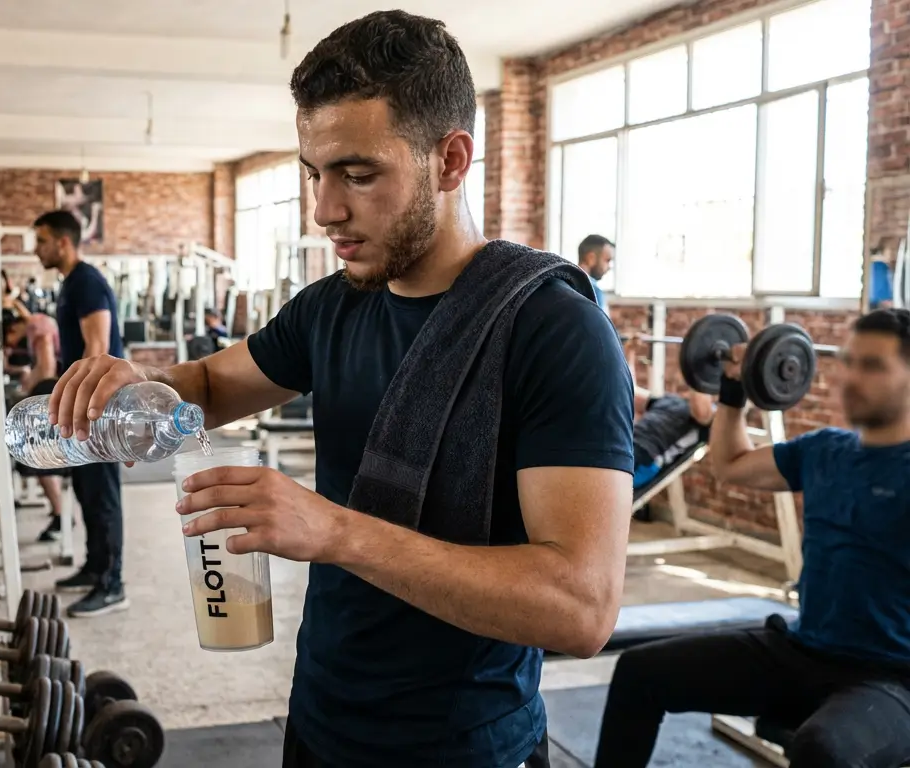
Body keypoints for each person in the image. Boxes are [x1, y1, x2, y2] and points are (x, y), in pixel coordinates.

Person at [48, 11, 634, 766]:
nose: (326, 209)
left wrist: (332, 532)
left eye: (358, 175)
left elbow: (581, 608)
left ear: (450, 160)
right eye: (314, 175)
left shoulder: (551, 330)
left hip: (465, 747)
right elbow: (207, 387)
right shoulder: (334, 305)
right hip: (323, 719)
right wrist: (139, 383)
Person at [594, 308, 910, 768]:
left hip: (888, 678)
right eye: (852, 362)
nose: (854, 378)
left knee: (823, 749)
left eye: (874, 366)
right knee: (640, 672)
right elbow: (731, 463)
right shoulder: (825, 450)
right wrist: (735, 387)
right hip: (803, 650)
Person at [33, 208, 129, 618]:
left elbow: (98, 347)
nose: (36, 249)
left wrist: (86, 408)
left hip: (98, 407)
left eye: (41, 241)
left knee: (102, 494)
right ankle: (94, 567)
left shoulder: (87, 282)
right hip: (83, 404)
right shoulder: (72, 283)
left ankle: (112, 583)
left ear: (63, 242)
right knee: (88, 490)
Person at [4, 312, 66, 543]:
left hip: (53, 397)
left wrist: (28, 386)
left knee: (39, 458)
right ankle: (59, 510)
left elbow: (47, 368)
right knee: (42, 459)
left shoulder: (37, 328)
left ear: (14, 327)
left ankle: (60, 514)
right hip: (58, 394)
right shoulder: (38, 324)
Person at [632, 390, 713, 488]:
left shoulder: (704, 418)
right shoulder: (670, 399)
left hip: (648, 459)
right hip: (629, 442)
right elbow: (638, 401)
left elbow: (702, 413)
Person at [578, 234, 615, 314]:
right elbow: (602, 326)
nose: (609, 267)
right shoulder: (593, 292)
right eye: (607, 260)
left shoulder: (564, 284)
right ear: (591, 258)